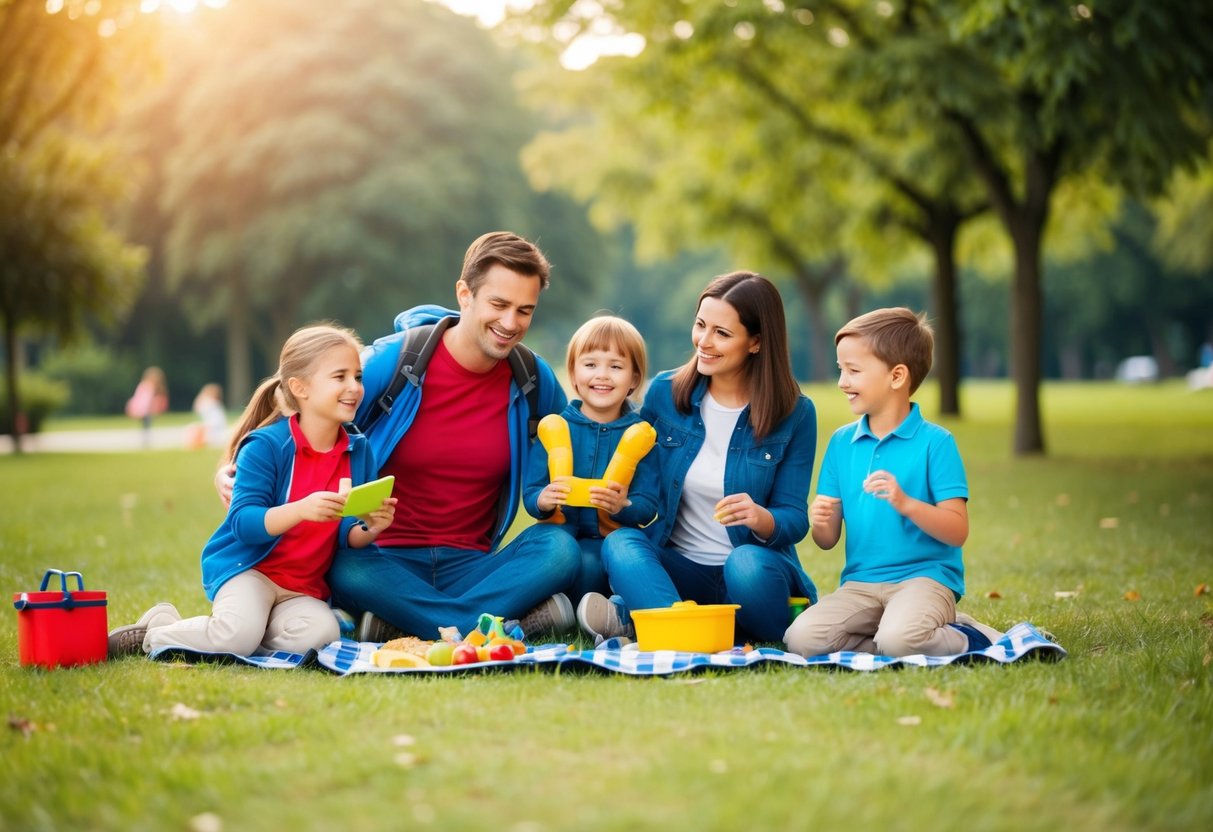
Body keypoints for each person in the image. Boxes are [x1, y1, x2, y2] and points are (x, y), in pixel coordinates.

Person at [216, 232, 580, 643]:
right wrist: (230, 467)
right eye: (498, 305)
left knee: (559, 549)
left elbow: (579, 439)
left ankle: (410, 622)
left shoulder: (532, 381)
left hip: (474, 564)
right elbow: (300, 403)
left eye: (524, 310)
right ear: (465, 294)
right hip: (382, 557)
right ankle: (486, 625)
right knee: (343, 567)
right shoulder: (393, 363)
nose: (511, 323)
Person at [108, 324, 395, 658]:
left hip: (302, 589)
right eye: (340, 377)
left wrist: (371, 527)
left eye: (357, 377)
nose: (354, 387)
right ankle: (156, 632)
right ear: (299, 387)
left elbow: (347, 529)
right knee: (237, 634)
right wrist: (301, 509)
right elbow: (243, 523)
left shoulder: (358, 451)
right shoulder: (267, 446)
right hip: (250, 572)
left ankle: (241, 636)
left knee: (321, 636)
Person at [579, 271, 819, 644]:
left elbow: (794, 518)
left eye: (722, 334)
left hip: (751, 574)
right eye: (701, 326)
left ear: (756, 342)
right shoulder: (664, 394)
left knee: (745, 565)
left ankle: (646, 621)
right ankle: (686, 631)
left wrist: (762, 518)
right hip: (682, 570)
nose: (703, 342)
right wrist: (621, 503)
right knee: (621, 544)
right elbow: (642, 493)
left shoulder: (795, 414)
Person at [783, 308, 1002, 658]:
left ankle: (968, 637)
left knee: (899, 640)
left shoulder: (936, 443)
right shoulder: (841, 444)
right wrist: (821, 522)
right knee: (801, 639)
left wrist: (906, 503)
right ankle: (903, 636)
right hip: (861, 585)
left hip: (925, 580)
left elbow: (957, 530)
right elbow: (826, 541)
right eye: (842, 370)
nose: (842, 382)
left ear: (897, 376)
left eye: (854, 371)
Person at [522, 315, 660, 606]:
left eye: (616, 366)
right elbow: (532, 491)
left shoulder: (641, 436)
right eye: (590, 364)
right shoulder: (555, 428)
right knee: (562, 560)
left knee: (595, 565)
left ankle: (602, 609)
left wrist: (624, 506)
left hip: (610, 543)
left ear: (634, 379)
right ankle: (558, 607)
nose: (602, 375)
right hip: (560, 539)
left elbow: (648, 504)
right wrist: (543, 500)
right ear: (573, 374)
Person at [126, 366, 168, 447]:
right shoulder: (149, 387)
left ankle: (145, 439)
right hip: (143, 409)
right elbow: (146, 400)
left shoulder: (143, 385)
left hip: (141, 408)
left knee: (146, 425)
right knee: (146, 424)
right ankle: (146, 440)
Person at [186, 383, 228, 449]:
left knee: (193, 428)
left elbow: (197, 407)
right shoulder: (217, 405)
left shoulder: (209, 403)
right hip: (217, 431)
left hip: (213, 432)